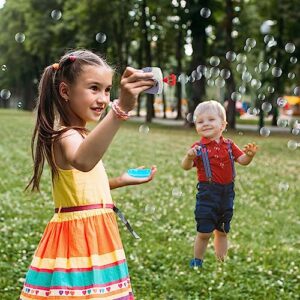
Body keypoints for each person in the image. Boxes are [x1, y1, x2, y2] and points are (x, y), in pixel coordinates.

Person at [20, 49, 157, 299]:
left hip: (96, 234)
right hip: (78, 240)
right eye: (94, 88)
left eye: (107, 90)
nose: (103, 99)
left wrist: (120, 181)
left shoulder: (81, 134)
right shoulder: (65, 135)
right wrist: (121, 108)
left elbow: (81, 186)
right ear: (65, 91)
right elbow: (83, 161)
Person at [181, 100, 257, 268]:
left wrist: (249, 156)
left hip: (227, 194)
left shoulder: (229, 145)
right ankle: (197, 261)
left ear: (223, 125)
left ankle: (221, 262)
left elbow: (242, 160)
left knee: (222, 231)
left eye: (210, 120)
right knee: (204, 232)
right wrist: (189, 157)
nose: (205, 124)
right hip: (207, 194)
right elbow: (185, 167)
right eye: (200, 121)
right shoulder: (198, 148)